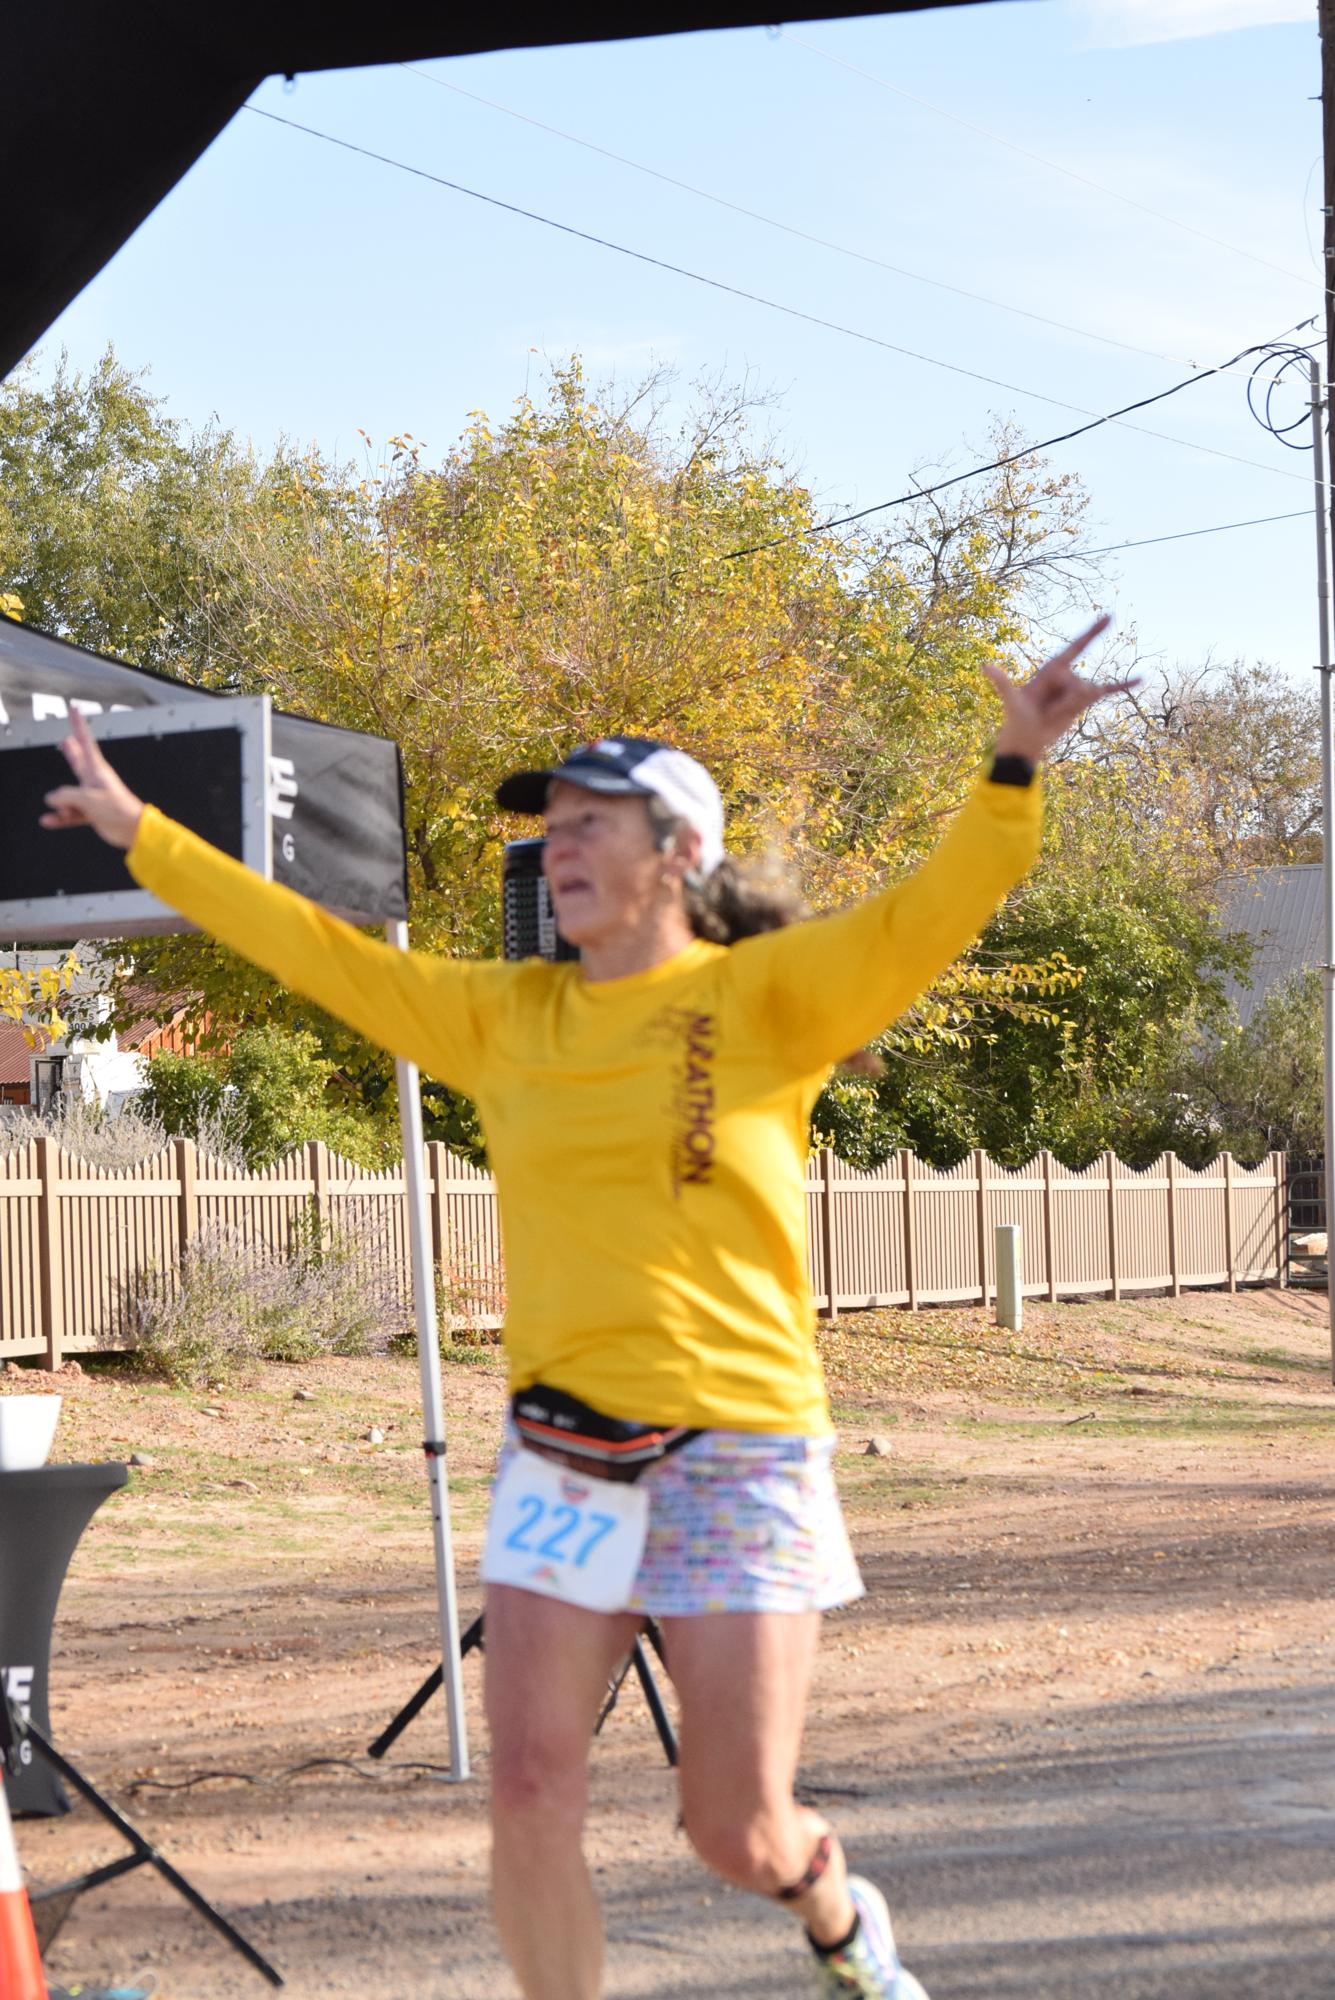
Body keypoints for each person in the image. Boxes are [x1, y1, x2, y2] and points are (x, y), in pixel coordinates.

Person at [42, 615, 1126, 1999]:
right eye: (549, 825)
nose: (556, 846)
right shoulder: (507, 1020)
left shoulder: (770, 997)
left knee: (735, 1831)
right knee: (529, 1791)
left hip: (737, 1449)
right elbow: (319, 951)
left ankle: (840, 1921)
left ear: (680, 850)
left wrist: (1015, 761)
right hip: (560, 1453)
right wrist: (146, 838)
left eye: (590, 822)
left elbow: (935, 908)